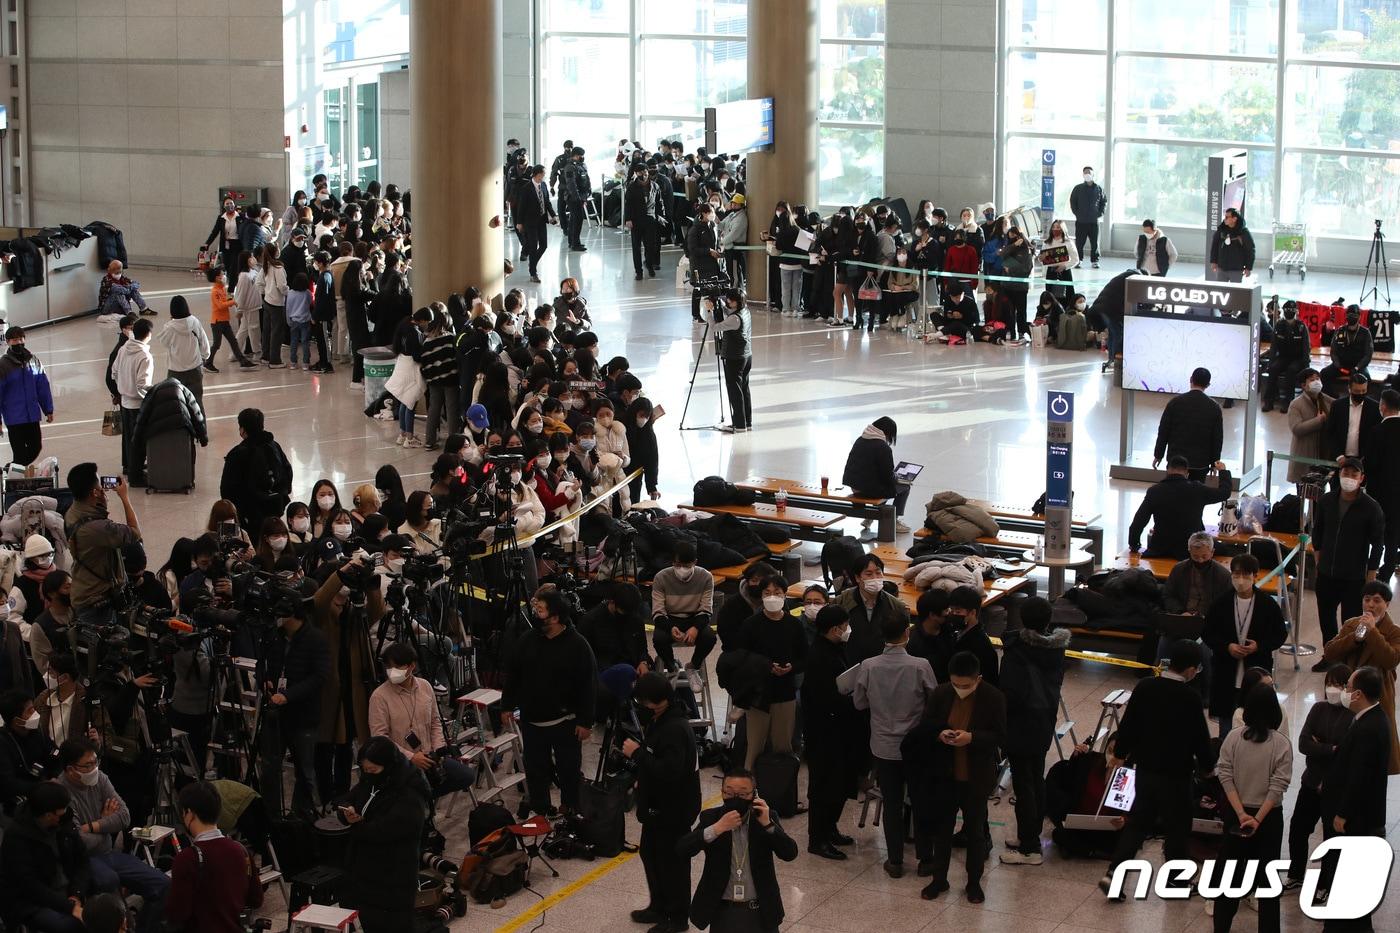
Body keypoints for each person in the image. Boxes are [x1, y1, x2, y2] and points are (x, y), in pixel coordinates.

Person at [1102, 640, 1215, 896]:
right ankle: (1175, 879)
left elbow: (1129, 725)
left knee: (1138, 823)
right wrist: (1208, 767)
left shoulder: (1145, 686)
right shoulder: (1190, 697)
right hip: (1176, 774)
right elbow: (1200, 737)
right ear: (1190, 670)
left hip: (1145, 769)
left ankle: (1114, 874)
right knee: (1178, 825)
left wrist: (1119, 754)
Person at [909, 650, 1006, 903]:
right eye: (956, 684)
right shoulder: (941, 693)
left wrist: (972, 738)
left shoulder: (993, 698)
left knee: (974, 832)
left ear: (978, 679)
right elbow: (927, 724)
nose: (960, 689)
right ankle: (938, 879)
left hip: (976, 777)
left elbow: (1000, 736)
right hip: (945, 775)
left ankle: (973, 883)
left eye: (966, 685)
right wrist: (941, 734)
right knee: (942, 831)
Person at [852, 612, 937, 878]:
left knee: (892, 802)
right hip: (914, 745)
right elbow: (934, 700)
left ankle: (896, 861)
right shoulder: (920, 665)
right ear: (906, 633)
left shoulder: (869, 666)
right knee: (921, 800)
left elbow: (859, 702)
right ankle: (925, 859)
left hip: (883, 745)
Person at [57, 739, 169, 933]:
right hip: (85, 860)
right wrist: (106, 826)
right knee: (108, 881)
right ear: (70, 769)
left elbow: (125, 817)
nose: (94, 768)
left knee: (163, 885)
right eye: (88, 765)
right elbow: (79, 843)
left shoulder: (100, 778)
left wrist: (92, 826)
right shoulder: (61, 793)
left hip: (109, 854)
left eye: (95, 762)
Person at [502, 588, 596, 816]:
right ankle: (541, 808)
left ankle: (570, 809)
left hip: (566, 722)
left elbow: (589, 685)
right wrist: (506, 705)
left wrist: (586, 721)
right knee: (535, 770)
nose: (535, 613)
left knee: (569, 771)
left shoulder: (578, 646)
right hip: (532, 722)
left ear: (554, 618)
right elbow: (513, 674)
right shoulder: (527, 640)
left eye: (540, 610)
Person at [622, 671, 700, 933]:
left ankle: (677, 917)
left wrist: (638, 754)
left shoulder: (675, 728)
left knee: (672, 862)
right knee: (651, 855)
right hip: (657, 805)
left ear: (654, 701)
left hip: (673, 809)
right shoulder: (661, 719)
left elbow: (670, 771)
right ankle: (659, 906)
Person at [1213, 682, 1293, 932]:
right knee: (1267, 883)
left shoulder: (1233, 738)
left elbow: (1224, 775)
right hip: (1268, 819)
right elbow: (1278, 786)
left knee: (1229, 879)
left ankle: (1221, 927)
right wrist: (1257, 819)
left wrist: (1240, 814)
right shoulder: (1281, 744)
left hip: (1236, 816)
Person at [678, 769, 798, 933]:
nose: (735, 798)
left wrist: (768, 825)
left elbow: (790, 853)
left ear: (754, 794)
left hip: (761, 908)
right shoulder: (711, 817)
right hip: (723, 910)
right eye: (729, 793)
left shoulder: (765, 818)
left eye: (742, 795)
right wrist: (716, 828)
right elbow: (683, 849)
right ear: (722, 793)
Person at [998, 597, 1070, 866]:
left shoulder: (1017, 650)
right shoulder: (1056, 648)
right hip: (1043, 720)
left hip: (1020, 722)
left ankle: (1029, 847)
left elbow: (1010, 692)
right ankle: (1030, 836)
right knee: (1035, 778)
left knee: (1024, 784)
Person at [1319, 665, 1391, 928]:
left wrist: (1342, 813)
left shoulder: (1369, 728)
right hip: (1357, 815)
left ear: (1359, 694)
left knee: (1348, 885)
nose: (1344, 692)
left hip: (1356, 820)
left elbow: (1359, 777)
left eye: (1348, 687)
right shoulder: (1370, 719)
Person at [336, 737, 431, 933]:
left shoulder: (410, 792)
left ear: (388, 765)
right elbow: (347, 799)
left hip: (394, 875)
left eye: (373, 770)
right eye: (365, 770)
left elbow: (386, 830)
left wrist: (357, 825)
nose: (368, 774)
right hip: (362, 870)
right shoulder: (370, 781)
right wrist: (346, 811)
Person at [256, 591, 330, 818]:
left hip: (303, 716)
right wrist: (264, 680)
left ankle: (302, 814)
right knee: (269, 766)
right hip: (275, 714)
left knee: (305, 770)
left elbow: (319, 676)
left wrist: (288, 695)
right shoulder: (274, 635)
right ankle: (271, 814)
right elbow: (261, 663)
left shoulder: (316, 639)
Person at [368, 642, 474, 798]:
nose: (392, 672)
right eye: (388, 668)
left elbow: (435, 722)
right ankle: (417, 799)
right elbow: (379, 738)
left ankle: (424, 797)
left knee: (466, 776)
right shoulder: (379, 696)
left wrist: (438, 750)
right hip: (401, 762)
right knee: (416, 788)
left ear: (411, 666)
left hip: (429, 755)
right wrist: (411, 757)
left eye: (397, 667)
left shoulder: (425, 686)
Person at [1285, 662, 1353, 888]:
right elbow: (1304, 743)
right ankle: (1296, 874)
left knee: (1331, 837)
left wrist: (1324, 747)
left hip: (1334, 788)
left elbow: (1346, 754)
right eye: (1329, 684)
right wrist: (1330, 749)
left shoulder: (1353, 717)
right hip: (1311, 782)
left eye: (1338, 684)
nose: (1332, 689)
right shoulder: (1318, 709)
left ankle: (1326, 882)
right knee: (1298, 828)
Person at [1202, 554, 1288, 734]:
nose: (1240, 580)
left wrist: (1259, 646)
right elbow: (1208, 633)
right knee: (1226, 725)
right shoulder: (1220, 603)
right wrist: (1227, 646)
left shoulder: (1267, 605)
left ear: (1255, 576)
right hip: (1226, 670)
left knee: (1256, 720)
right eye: (1236, 574)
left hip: (1256, 669)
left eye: (1246, 575)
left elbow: (1279, 635)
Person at [800, 605, 860, 860]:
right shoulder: (819, 657)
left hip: (838, 730)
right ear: (835, 629)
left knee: (838, 784)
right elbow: (826, 698)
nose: (848, 630)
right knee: (823, 786)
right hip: (823, 732)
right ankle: (818, 839)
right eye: (845, 626)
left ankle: (830, 829)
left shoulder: (835, 649)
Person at [1322, 580, 1400, 774]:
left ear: (1387, 604)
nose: (1371, 605)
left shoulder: (1394, 632)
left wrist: (1373, 632)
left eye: (1377, 600)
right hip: (1348, 692)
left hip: (1377, 695)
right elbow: (1330, 652)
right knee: (1343, 752)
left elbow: (1390, 660)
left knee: (1372, 759)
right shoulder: (1352, 624)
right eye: (1367, 600)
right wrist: (1356, 638)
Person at [1312, 458, 1386, 661]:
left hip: (1353, 577)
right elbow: (1317, 533)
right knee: (1326, 619)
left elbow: (1378, 545)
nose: (1349, 478)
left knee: (1350, 622)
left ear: (1362, 479)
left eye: (1354, 474)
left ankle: (1347, 660)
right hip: (1327, 574)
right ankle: (1329, 655)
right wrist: (1319, 561)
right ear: (1339, 475)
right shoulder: (1327, 501)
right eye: (1346, 473)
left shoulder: (1371, 508)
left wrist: (1370, 576)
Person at [165, 781, 263, 933]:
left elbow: (178, 914)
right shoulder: (241, 851)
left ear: (189, 813)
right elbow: (256, 900)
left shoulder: (187, 858)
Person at [0, 781, 90, 933]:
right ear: (49, 815)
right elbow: (30, 886)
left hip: (68, 890)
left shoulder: (64, 821)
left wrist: (76, 894)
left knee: (106, 913)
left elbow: (82, 859)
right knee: (74, 926)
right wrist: (69, 907)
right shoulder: (16, 838)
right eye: (62, 811)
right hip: (32, 901)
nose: (66, 813)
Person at [738, 576, 807, 771]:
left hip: (785, 692)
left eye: (777, 593)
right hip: (758, 694)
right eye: (767, 593)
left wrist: (791, 667)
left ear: (785, 595)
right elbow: (741, 658)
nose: (772, 597)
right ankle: (750, 790)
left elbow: (804, 658)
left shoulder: (794, 625)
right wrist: (766, 666)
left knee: (783, 746)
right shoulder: (750, 625)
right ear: (761, 596)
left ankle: (781, 792)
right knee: (755, 746)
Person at [64, 464, 142, 623]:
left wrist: (98, 499)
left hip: (85, 589)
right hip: (97, 603)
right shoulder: (99, 529)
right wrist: (125, 498)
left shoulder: (72, 512)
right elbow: (135, 532)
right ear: (93, 493)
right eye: (99, 486)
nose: (103, 489)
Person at [1127, 456, 1233, 559]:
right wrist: (1223, 471)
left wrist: (1134, 545)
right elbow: (1224, 493)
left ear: (1167, 470)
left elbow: (1139, 521)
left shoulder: (1154, 491)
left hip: (1160, 549)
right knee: (1225, 550)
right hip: (1191, 549)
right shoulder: (1197, 489)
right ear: (1187, 474)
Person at [218, 408, 292, 535]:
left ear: (242, 429)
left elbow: (227, 490)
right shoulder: (274, 446)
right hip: (275, 506)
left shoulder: (237, 454)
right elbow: (287, 472)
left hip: (251, 515)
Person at [650, 540, 716, 677]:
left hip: (695, 618)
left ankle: (693, 666)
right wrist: (670, 628)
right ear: (672, 562)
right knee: (659, 639)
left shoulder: (706, 577)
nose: (681, 569)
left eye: (686, 566)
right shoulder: (661, 577)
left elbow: (706, 609)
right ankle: (671, 666)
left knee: (709, 637)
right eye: (677, 565)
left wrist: (695, 628)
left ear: (695, 562)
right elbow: (658, 611)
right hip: (670, 618)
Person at [841, 417, 912, 539]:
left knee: (882, 486)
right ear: (887, 432)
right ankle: (894, 520)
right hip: (868, 490)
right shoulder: (882, 447)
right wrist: (897, 478)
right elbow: (887, 476)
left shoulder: (860, 440)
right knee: (904, 487)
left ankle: (870, 517)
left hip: (855, 487)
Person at [836, 554, 910, 663]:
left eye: (878, 573)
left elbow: (902, 640)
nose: (875, 578)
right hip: (850, 663)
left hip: (882, 665)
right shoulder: (842, 601)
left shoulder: (896, 606)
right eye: (869, 574)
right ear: (857, 578)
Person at [1152, 367, 1224, 478]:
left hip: (1176, 461)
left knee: (1174, 493)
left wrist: (1158, 455)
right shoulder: (1214, 407)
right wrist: (1215, 462)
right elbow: (1217, 438)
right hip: (1201, 463)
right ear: (1208, 385)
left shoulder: (1175, 403)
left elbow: (1163, 431)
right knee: (1196, 494)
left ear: (1191, 379)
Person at [0, 325, 52, 466]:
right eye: (15, 340)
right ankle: (15, 481)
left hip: (32, 415)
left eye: (21, 339)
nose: (19, 342)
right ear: (8, 342)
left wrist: (48, 409)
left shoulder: (33, 361)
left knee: (36, 448)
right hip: (14, 418)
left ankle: (11, 470)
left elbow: (42, 386)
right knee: (20, 454)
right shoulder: (3, 365)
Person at [111, 317, 155, 479]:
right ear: (148, 334)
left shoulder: (123, 349)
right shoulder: (145, 356)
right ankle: (136, 476)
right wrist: (153, 393)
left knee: (128, 438)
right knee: (139, 441)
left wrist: (122, 386)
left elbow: (114, 372)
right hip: (138, 405)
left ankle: (130, 468)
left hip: (125, 402)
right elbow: (142, 384)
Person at [0, 689, 56, 813]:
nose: (35, 714)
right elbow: (8, 783)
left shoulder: (36, 732)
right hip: (19, 799)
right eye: (30, 711)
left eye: (34, 709)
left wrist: (56, 775)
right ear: (17, 721)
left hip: (46, 787)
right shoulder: (3, 743)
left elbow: (55, 754)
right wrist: (43, 787)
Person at [1366, 390, 1400, 581]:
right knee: (1394, 532)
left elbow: (1371, 464)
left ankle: (1371, 568)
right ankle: (1387, 571)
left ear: (1383, 406)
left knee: (1377, 532)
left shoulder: (1377, 431)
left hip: (1379, 493)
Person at [711, 288, 752, 433]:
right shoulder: (745, 311)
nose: (727, 301)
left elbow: (715, 327)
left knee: (735, 391)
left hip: (735, 358)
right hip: (746, 356)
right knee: (744, 389)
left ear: (735, 302)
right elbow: (729, 313)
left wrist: (710, 311)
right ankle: (747, 421)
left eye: (729, 300)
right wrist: (720, 303)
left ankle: (739, 425)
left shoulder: (734, 319)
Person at [159, 296, 212, 408]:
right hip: (195, 368)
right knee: (197, 403)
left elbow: (164, 343)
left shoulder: (169, 327)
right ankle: (201, 425)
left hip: (175, 371)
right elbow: (203, 341)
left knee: (177, 405)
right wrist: (205, 356)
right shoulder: (194, 322)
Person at [1262, 301, 1311, 413]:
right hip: (1284, 357)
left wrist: (1306, 364)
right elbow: (1274, 346)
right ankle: (1269, 401)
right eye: (1287, 310)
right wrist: (1270, 363)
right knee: (1273, 369)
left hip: (1297, 359)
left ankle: (1288, 401)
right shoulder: (1279, 325)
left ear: (1295, 312)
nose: (1289, 312)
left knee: (1291, 370)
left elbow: (1306, 347)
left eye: (1291, 310)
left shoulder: (1301, 327)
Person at [1325, 371, 1382, 465]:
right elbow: (1330, 432)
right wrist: (1339, 456)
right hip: (1340, 458)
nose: (1360, 394)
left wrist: (1366, 457)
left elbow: (1376, 436)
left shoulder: (1374, 407)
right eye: (1357, 391)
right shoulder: (1337, 405)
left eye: (1364, 391)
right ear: (1349, 389)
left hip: (1364, 459)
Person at [1288, 368, 1333, 483]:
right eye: (1312, 380)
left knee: (1319, 494)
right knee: (1301, 494)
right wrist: (1318, 421)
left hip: (1322, 454)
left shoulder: (1327, 401)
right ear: (1304, 385)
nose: (1316, 382)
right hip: (1303, 455)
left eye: (1318, 379)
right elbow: (1297, 429)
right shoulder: (1296, 404)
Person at [515, 163, 557, 283]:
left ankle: (532, 263)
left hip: (542, 220)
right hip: (530, 221)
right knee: (533, 246)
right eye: (542, 175)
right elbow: (521, 207)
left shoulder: (543, 185)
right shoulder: (526, 188)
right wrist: (519, 222)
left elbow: (547, 202)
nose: (543, 177)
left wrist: (553, 215)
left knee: (544, 245)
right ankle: (533, 273)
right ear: (536, 174)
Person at [1320, 305, 1375, 391]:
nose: (1352, 318)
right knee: (1324, 373)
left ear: (1359, 317)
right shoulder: (1339, 331)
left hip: (1358, 366)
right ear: (1346, 316)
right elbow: (1333, 351)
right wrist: (1338, 365)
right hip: (1340, 365)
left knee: (1367, 379)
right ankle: (1331, 396)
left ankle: (1362, 401)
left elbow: (1368, 354)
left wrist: (1357, 367)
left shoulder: (1365, 333)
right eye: (1349, 316)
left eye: (1354, 316)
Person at [907, 589, 957, 682]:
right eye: (946, 610)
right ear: (932, 615)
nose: (950, 612)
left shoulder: (949, 629)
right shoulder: (913, 643)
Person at [624, 163, 664, 281]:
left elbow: (659, 202)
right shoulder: (631, 187)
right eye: (640, 173)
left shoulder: (655, 186)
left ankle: (650, 266)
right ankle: (638, 271)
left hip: (650, 220)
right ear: (636, 174)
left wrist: (661, 216)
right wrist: (628, 219)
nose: (644, 176)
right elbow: (628, 204)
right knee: (636, 247)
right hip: (636, 221)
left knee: (650, 246)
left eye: (645, 173)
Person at [686, 203, 723, 322]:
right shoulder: (695, 228)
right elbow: (692, 248)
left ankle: (715, 313)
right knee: (698, 289)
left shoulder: (712, 225)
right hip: (699, 264)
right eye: (710, 212)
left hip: (712, 263)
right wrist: (708, 251)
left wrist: (717, 250)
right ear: (703, 213)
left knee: (713, 287)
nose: (713, 214)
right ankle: (696, 315)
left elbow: (715, 242)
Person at [1069, 166, 1106, 268]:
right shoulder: (1078, 188)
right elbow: (1073, 202)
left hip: (1094, 221)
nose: (1087, 174)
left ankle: (1095, 260)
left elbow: (1104, 202)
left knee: (1095, 243)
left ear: (1093, 174)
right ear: (1083, 175)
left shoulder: (1098, 189)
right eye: (1085, 173)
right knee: (1080, 242)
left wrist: (1100, 213)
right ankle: (1079, 260)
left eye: (1089, 172)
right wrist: (1077, 213)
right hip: (1081, 221)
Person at [202, 197, 246, 275]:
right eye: (227, 204)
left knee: (235, 265)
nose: (230, 205)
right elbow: (215, 232)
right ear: (224, 206)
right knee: (227, 264)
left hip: (237, 244)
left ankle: (234, 283)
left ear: (234, 204)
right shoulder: (221, 218)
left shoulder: (241, 216)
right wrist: (207, 243)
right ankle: (230, 282)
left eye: (231, 203)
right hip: (226, 244)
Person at [1210, 207, 1255, 282]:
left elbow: (1250, 250)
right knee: (1221, 291)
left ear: (1234, 219)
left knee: (1235, 292)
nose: (1225, 219)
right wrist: (1213, 261)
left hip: (1236, 270)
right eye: (1225, 217)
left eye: (1227, 217)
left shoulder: (1244, 232)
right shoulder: (1221, 230)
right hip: (1221, 268)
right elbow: (1214, 245)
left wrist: (1248, 268)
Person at [562, 146, 592, 251]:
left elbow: (587, 179)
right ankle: (575, 243)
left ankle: (573, 242)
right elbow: (571, 184)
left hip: (582, 196)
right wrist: (577, 197)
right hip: (573, 197)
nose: (582, 157)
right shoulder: (570, 167)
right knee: (577, 219)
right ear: (575, 155)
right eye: (580, 155)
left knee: (574, 220)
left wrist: (589, 191)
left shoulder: (582, 165)